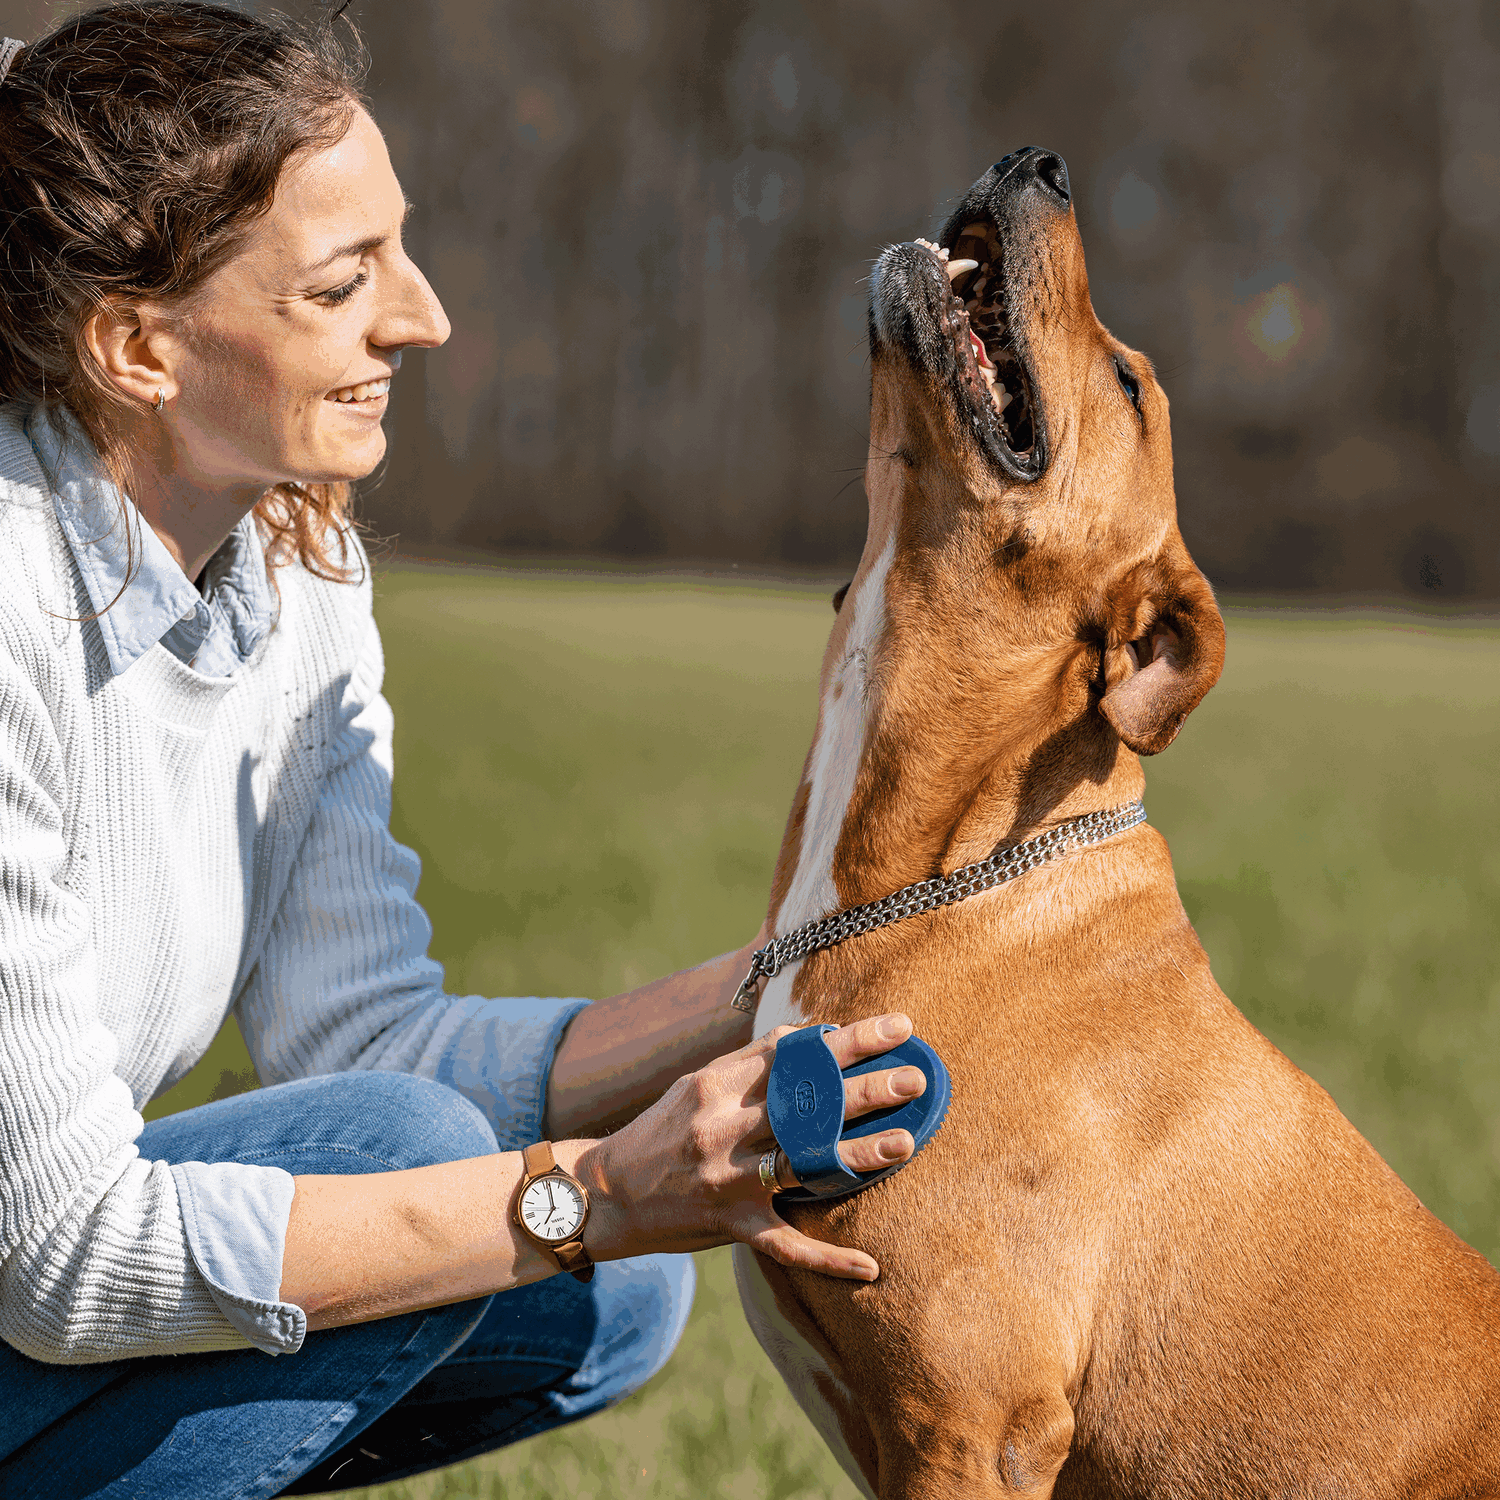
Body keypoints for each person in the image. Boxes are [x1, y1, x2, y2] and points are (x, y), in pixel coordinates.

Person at [0, 5, 929, 1496]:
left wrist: (783, 983)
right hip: (34, 1277)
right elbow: (62, 1263)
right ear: (136, 347)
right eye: (341, 282)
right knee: (474, 1193)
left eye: (402, 248)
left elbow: (360, 1040)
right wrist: (594, 1192)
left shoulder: (296, 570)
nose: (422, 317)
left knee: (606, 1299)